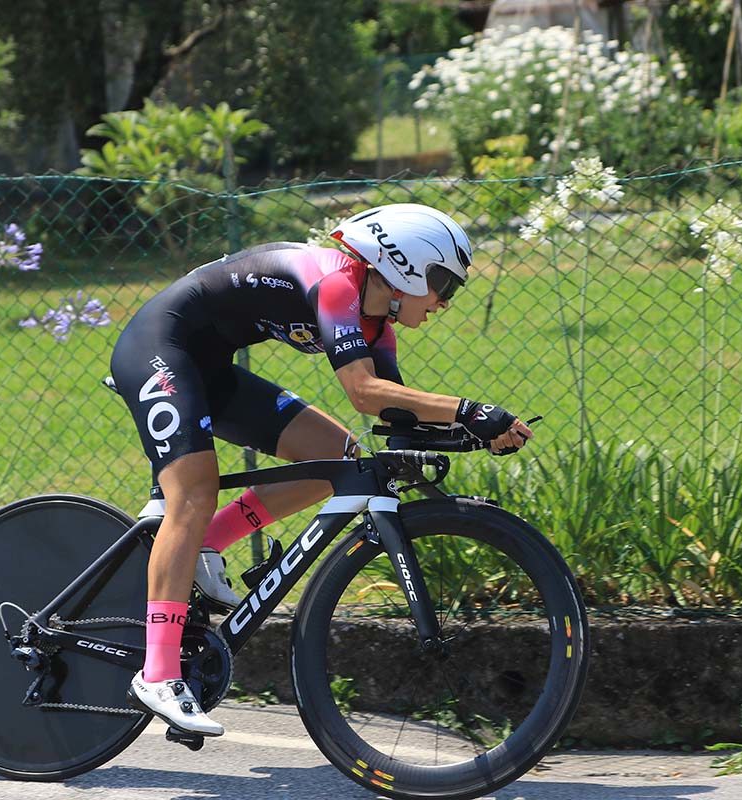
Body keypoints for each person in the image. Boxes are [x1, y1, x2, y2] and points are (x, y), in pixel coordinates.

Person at [109, 203, 533, 736]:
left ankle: (207, 544)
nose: (446, 301)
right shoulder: (338, 286)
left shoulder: (377, 323)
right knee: (193, 494)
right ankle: (160, 673)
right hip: (158, 349)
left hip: (207, 368)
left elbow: (391, 410)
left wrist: (473, 432)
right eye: (443, 282)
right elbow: (362, 391)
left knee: (339, 459)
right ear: (404, 266)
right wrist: (469, 409)